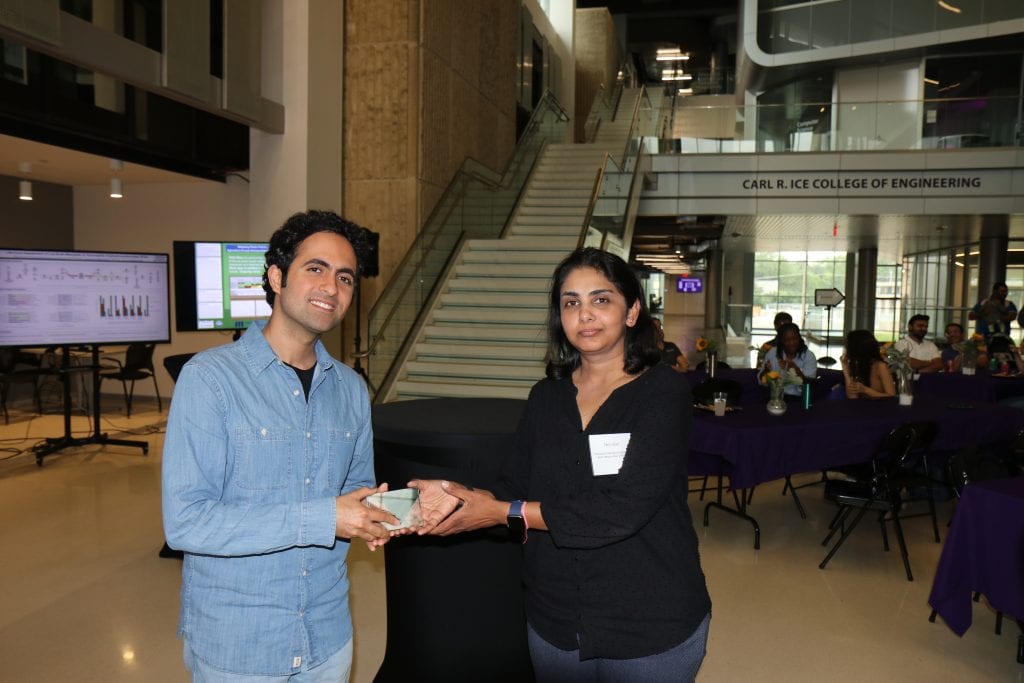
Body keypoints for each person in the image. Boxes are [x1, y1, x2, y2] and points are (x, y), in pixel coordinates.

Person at [410, 247, 712, 681]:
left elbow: (620, 510)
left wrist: (502, 512)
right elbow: (515, 485)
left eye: (601, 300)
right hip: (556, 620)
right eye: (571, 302)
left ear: (632, 313)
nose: (584, 314)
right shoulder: (546, 398)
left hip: (649, 620)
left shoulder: (661, 393)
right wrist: (459, 499)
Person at [162, 211, 401, 681]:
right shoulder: (211, 380)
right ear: (276, 277)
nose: (332, 288)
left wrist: (391, 512)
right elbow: (187, 523)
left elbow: (355, 491)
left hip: (327, 638)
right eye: (316, 269)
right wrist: (326, 516)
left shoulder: (351, 389)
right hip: (240, 644)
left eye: (345, 277)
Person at [758, 322, 816, 396]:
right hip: (775, 397)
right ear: (781, 341)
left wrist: (796, 370)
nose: (791, 343)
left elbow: (810, 386)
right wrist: (765, 371)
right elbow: (761, 381)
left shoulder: (808, 356)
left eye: (794, 339)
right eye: (787, 340)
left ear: (799, 338)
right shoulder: (773, 353)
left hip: (799, 399)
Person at [842, 330, 896, 399]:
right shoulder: (857, 364)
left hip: (880, 407)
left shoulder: (880, 366)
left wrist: (865, 390)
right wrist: (845, 368)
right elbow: (853, 397)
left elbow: (891, 396)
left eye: (847, 345)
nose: (846, 348)